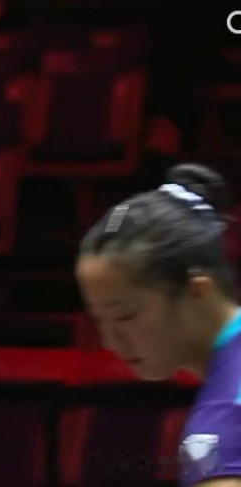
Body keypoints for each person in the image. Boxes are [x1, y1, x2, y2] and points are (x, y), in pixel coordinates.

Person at [75, 163, 241, 486]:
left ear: (197, 291)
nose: (110, 341)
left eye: (125, 315)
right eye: (99, 319)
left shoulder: (224, 419)